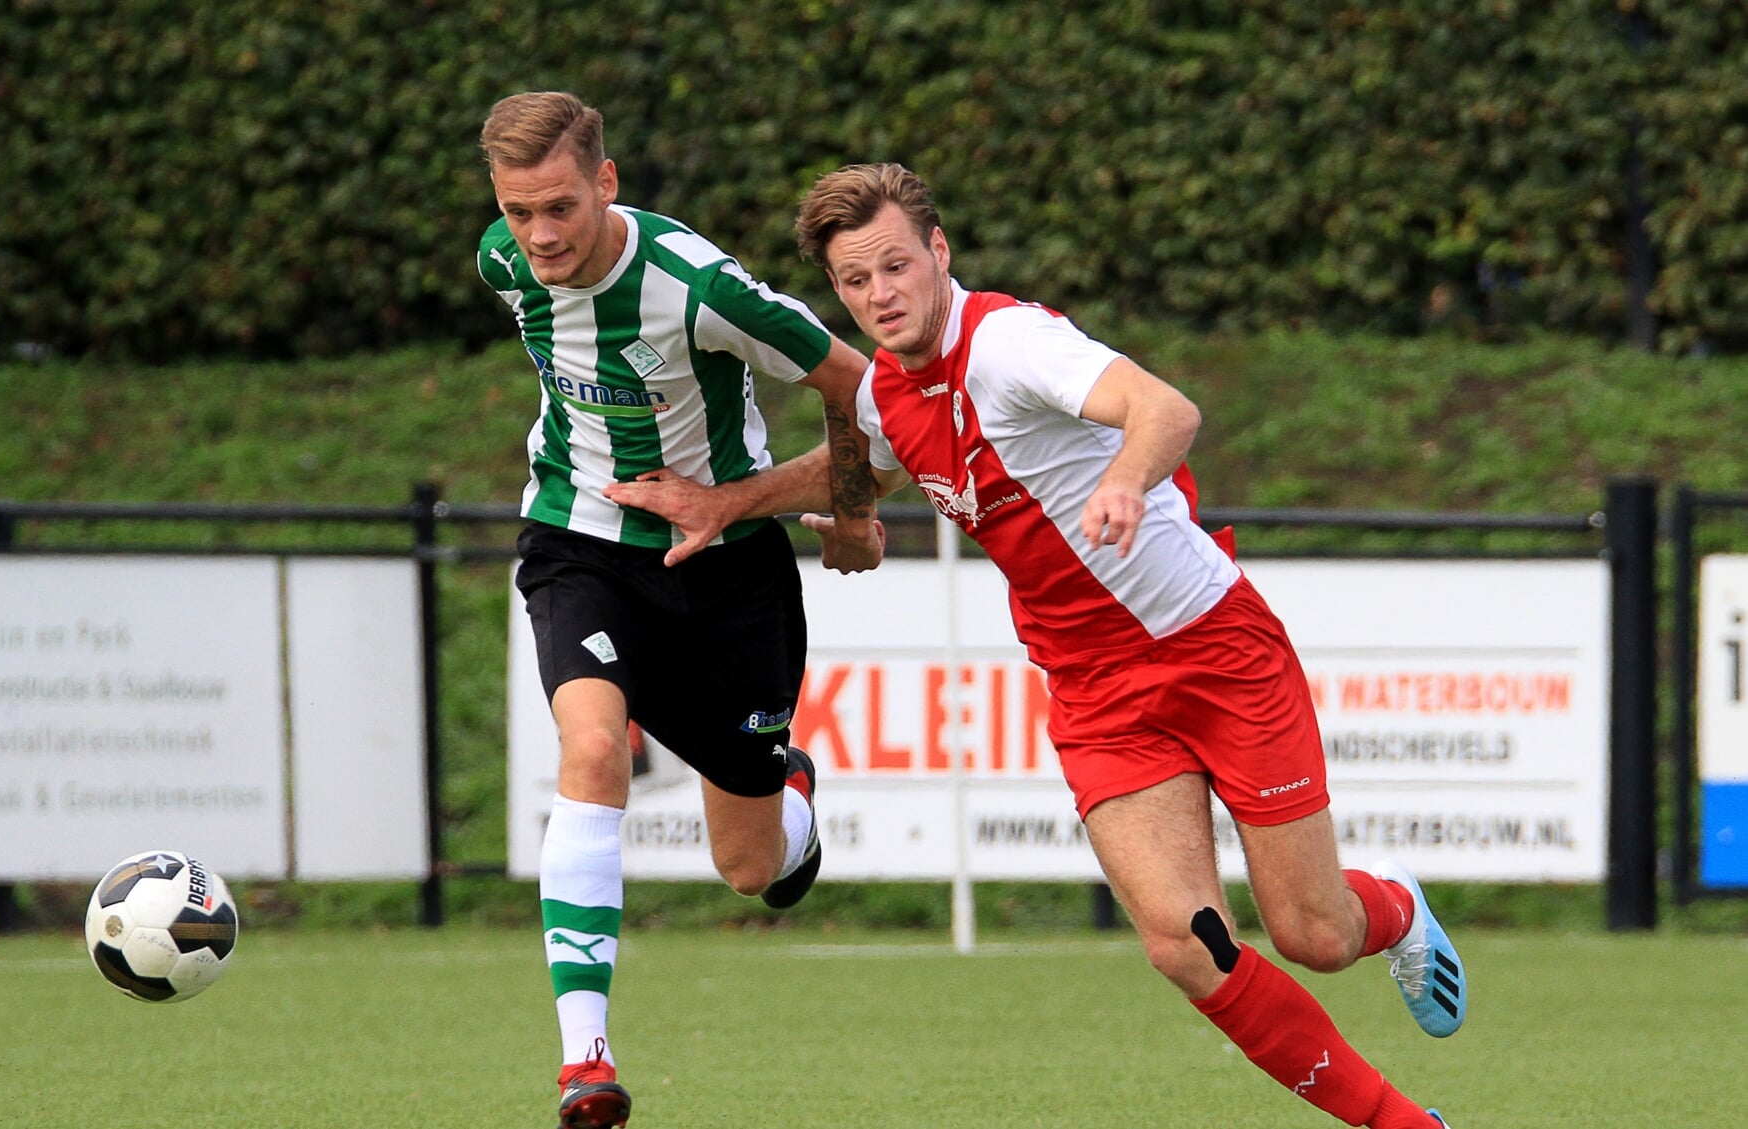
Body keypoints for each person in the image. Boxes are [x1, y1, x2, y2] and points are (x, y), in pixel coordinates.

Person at [603, 163, 1467, 1128]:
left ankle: (1392, 909)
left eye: (896, 265)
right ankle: (1405, 1124)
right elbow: (855, 472)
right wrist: (729, 503)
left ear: (939, 253)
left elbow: (1166, 410)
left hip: (1215, 648)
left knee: (1312, 931)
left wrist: (1129, 481)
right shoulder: (887, 396)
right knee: (1188, 944)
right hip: (1096, 691)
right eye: (855, 281)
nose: (880, 294)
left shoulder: (1011, 344)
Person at [475, 93, 882, 1129]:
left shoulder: (697, 288)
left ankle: (785, 788)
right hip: (579, 543)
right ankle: (585, 1060)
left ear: (607, 182)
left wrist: (848, 510)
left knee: (751, 868)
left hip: (728, 566)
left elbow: (861, 390)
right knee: (593, 750)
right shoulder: (505, 264)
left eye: (560, 205)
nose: (542, 235)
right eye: (519, 211)